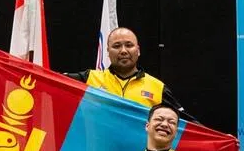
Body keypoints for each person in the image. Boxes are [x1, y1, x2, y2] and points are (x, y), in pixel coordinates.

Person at [65, 27, 193, 120]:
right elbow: (50, 81)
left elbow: (189, 123)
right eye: (116, 46)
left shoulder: (157, 87)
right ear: (108, 52)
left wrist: (212, 142)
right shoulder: (90, 79)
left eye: (129, 45)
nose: (123, 51)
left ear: (138, 51)